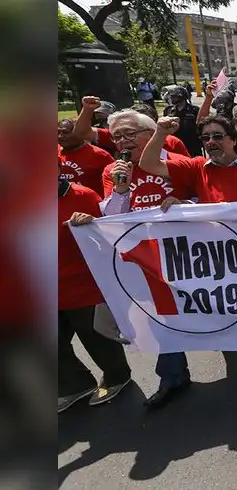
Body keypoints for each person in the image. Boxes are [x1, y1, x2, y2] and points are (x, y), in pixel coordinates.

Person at [138, 114, 237, 404]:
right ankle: (173, 376)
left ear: (234, 139)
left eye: (218, 136)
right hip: (210, 259)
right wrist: (161, 132)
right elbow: (148, 164)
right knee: (180, 311)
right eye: (205, 138)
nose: (211, 143)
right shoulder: (195, 168)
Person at [58, 162, 132, 412]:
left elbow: (110, 231)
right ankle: (75, 385)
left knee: (97, 339)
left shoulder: (83, 196)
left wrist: (91, 222)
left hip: (84, 286)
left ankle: (117, 378)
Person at [100, 109, 194, 214]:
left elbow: (204, 201)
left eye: (130, 133)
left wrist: (183, 205)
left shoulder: (179, 162)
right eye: (117, 137)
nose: (123, 140)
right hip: (136, 229)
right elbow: (112, 216)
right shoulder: (113, 171)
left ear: (151, 134)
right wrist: (121, 189)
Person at [58, 119, 114, 195]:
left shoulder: (100, 155)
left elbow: (114, 182)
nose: (60, 136)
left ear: (80, 133)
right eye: (58, 132)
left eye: (65, 132)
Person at [164, 85, 204, 156]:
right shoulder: (168, 110)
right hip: (175, 146)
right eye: (171, 96)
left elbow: (201, 127)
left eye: (174, 96)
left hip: (192, 146)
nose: (172, 98)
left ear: (182, 97)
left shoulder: (194, 110)